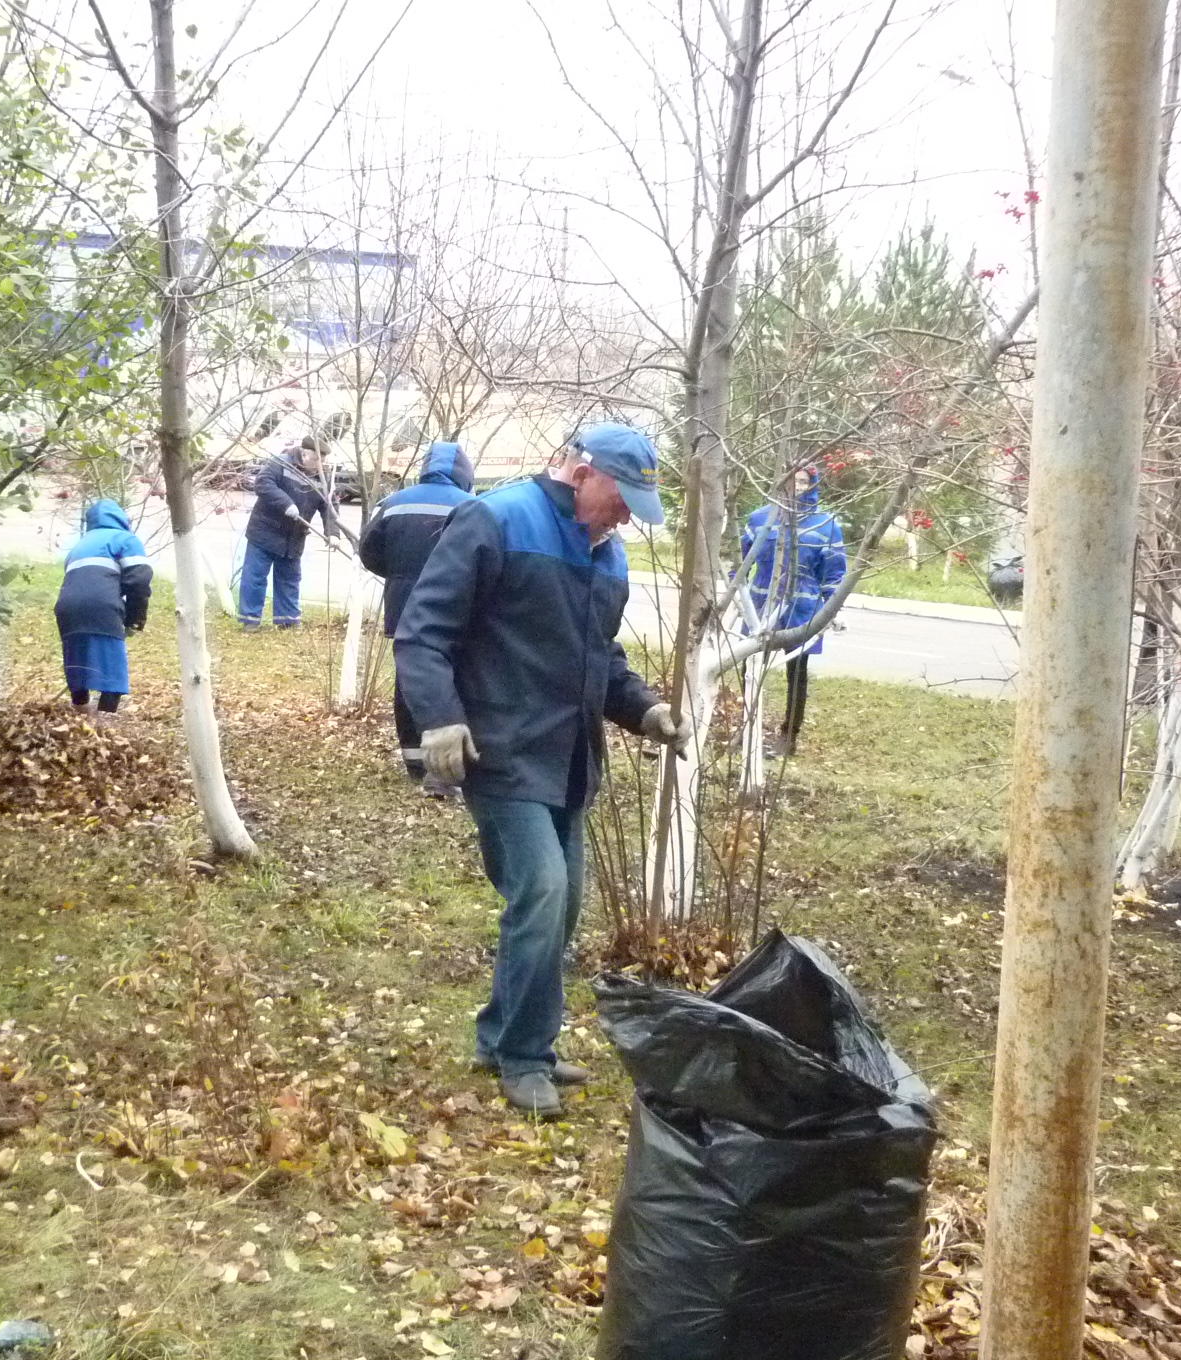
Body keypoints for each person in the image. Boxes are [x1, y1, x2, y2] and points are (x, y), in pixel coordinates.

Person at [394, 423, 689, 1116]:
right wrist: (439, 718)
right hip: (499, 746)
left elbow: (600, 657)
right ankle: (525, 1058)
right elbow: (423, 631)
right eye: (621, 500)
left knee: (563, 904)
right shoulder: (496, 519)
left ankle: (502, 1035)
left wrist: (644, 709)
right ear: (582, 474)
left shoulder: (605, 554)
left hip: (568, 755)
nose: (625, 519)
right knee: (543, 893)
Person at [357, 441, 476, 792]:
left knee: (409, 678)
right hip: (457, 607)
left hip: (403, 603)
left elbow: (369, 551)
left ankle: (414, 759)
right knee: (455, 677)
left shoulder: (394, 503)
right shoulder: (473, 507)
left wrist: (398, 575)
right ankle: (450, 763)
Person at [739, 467, 847, 754]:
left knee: (797, 671)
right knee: (749, 667)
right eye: (792, 481)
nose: (797, 487)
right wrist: (735, 594)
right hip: (761, 604)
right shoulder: (761, 518)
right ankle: (746, 727)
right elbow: (742, 562)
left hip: (802, 607)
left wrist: (835, 609)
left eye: (803, 481)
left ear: (812, 485)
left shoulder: (826, 525)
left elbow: (834, 573)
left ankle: (789, 735)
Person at [54, 499, 153, 724]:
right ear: (121, 519)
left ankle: (79, 719)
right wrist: (134, 620)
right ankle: (105, 725)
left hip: (67, 609)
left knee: (78, 662)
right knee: (111, 667)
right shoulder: (125, 540)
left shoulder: (79, 546)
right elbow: (139, 581)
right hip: (102, 607)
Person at [239, 435, 341, 630]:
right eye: (317, 459)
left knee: (289, 579)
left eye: (323, 460)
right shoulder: (280, 463)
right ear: (304, 454)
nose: (320, 465)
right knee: (255, 577)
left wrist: (333, 533)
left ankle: (287, 620)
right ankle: (250, 620)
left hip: (293, 537)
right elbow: (263, 483)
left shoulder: (323, 478)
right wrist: (286, 504)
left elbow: (329, 507)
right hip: (265, 531)